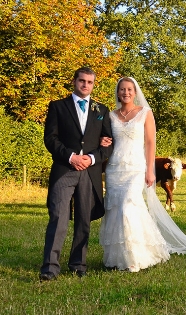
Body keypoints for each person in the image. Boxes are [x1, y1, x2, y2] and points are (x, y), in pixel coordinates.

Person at [99, 77, 186, 272]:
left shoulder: (145, 113)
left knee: (128, 206)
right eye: (122, 89)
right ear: (117, 92)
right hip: (115, 168)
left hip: (136, 167)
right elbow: (105, 139)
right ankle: (118, 258)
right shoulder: (110, 116)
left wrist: (150, 170)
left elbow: (150, 143)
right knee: (115, 210)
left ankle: (136, 257)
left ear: (135, 92)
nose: (126, 92)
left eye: (129, 89)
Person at [40, 67, 114, 281]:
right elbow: (50, 139)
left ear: (93, 84)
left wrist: (91, 159)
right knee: (58, 218)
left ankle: (78, 264)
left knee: (84, 219)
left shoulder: (101, 110)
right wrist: (71, 157)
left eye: (90, 82)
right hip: (65, 169)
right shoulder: (57, 107)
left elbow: (108, 144)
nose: (85, 85)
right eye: (82, 81)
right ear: (74, 81)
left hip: (90, 172)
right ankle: (50, 268)